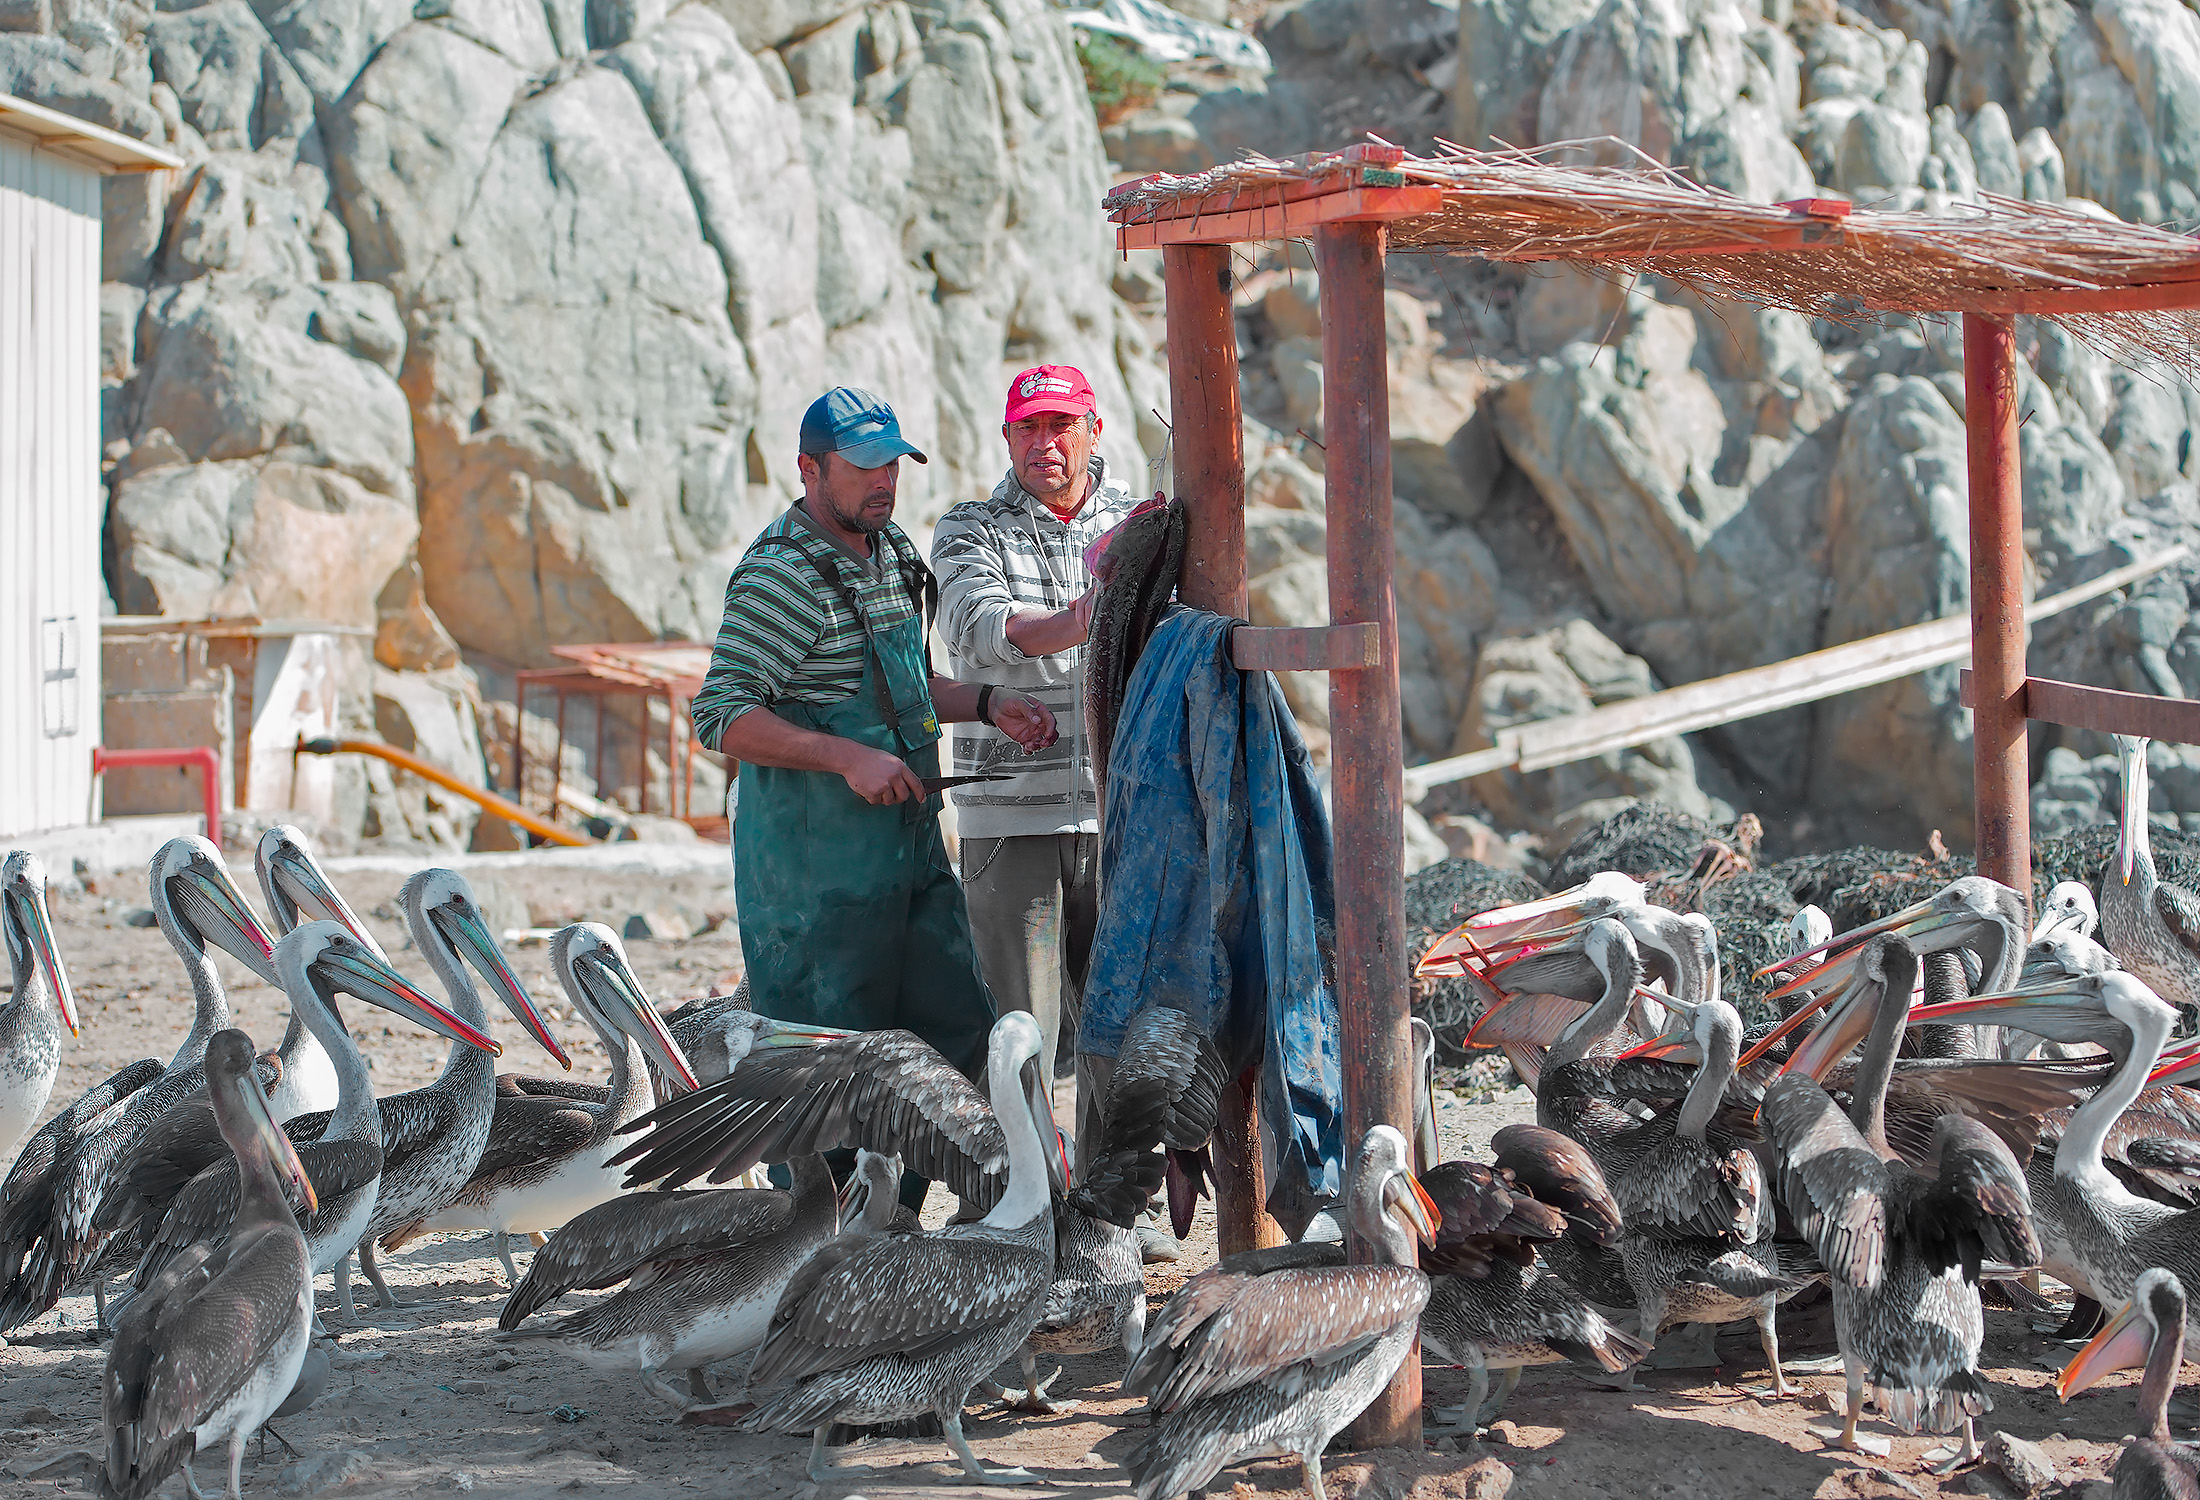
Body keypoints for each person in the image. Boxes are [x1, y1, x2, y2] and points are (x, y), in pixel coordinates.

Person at [690, 387, 1057, 1207]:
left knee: (956, 1032)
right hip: (816, 883)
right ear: (810, 470)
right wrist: (844, 756)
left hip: (912, 855)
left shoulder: (889, 552)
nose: (883, 480)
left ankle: (900, 1234)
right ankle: (818, 1258)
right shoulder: (779, 574)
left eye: (891, 462)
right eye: (862, 467)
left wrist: (987, 703)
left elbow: (905, 688)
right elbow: (720, 715)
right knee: (829, 1077)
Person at [930, 365, 1177, 1257]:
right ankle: (1033, 1207)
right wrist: (1096, 611)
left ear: (1095, 429)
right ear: (1006, 440)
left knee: (1123, 1018)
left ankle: (1112, 1209)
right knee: (1022, 1030)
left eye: (1061, 426)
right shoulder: (969, 527)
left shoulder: (1140, 522)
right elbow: (981, 629)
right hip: (1013, 818)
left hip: (1122, 818)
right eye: (1028, 429)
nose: (1045, 444)